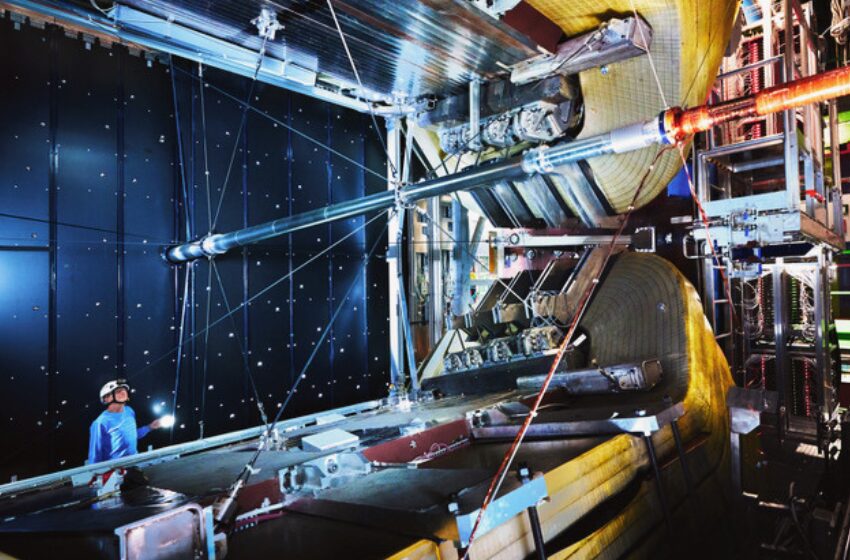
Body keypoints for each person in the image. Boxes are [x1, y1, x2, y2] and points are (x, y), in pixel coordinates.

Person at [87, 379, 163, 465]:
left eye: (124, 390)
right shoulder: (100, 423)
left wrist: (149, 427)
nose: (123, 392)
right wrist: (97, 475)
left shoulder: (129, 411)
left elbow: (131, 435)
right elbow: (95, 455)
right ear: (106, 398)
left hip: (136, 464)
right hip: (116, 471)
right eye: (118, 391)